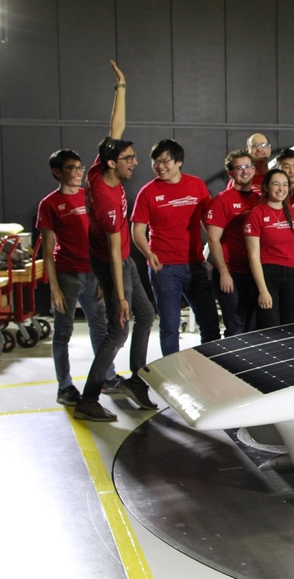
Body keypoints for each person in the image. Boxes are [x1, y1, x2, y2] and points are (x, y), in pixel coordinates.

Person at [79, 61, 157, 422]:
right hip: (115, 261)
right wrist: (119, 295)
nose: (134, 163)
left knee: (147, 315)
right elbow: (113, 251)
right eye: (128, 159)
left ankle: (136, 379)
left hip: (117, 259)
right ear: (111, 164)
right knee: (120, 327)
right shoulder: (108, 201)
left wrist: (121, 86)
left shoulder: (99, 167)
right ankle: (89, 398)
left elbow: (116, 128)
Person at [37, 149, 121, 406]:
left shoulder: (91, 197)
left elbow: (104, 239)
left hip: (94, 273)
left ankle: (106, 377)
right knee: (63, 333)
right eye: (71, 168)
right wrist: (55, 289)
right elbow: (48, 251)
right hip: (67, 275)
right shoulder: (50, 204)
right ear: (57, 172)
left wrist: (103, 276)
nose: (77, 172)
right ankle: (65, 387)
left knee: (100, 329)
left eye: (79, 167)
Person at [131, 139, 220, 356]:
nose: (159, 166)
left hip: (195, 265)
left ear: (179, 161)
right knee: (169, 327)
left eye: (165, 161)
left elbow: (208, 223)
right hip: (165, 269)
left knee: (210, 323)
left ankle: (212, 368)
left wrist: (214, 252)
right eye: (155, 162)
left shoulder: (196, 185)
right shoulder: (148, 192)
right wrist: (149, 254)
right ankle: (173, 376)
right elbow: (137, 231)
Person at [244, 169, 294, 328]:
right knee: (270, 327)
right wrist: (263, 290)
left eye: (285, 185)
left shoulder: (292, 213)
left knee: (292, 326)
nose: (281, 189)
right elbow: (253, 256)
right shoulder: (256, 214)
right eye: (276, 184)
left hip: (291, 276)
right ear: (266, 187)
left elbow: (292, 245)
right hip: (267, 275)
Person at [206, 149, 259, 336]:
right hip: (231, 273)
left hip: (254, 274)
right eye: (239, 168)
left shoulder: (260, 199)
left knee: (253, 327)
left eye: (248, 166)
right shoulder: (222, 200)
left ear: (253, 169)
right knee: (235, 328)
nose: (244, 171)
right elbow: (213, 238)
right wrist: (223, 273)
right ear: (230, 173)